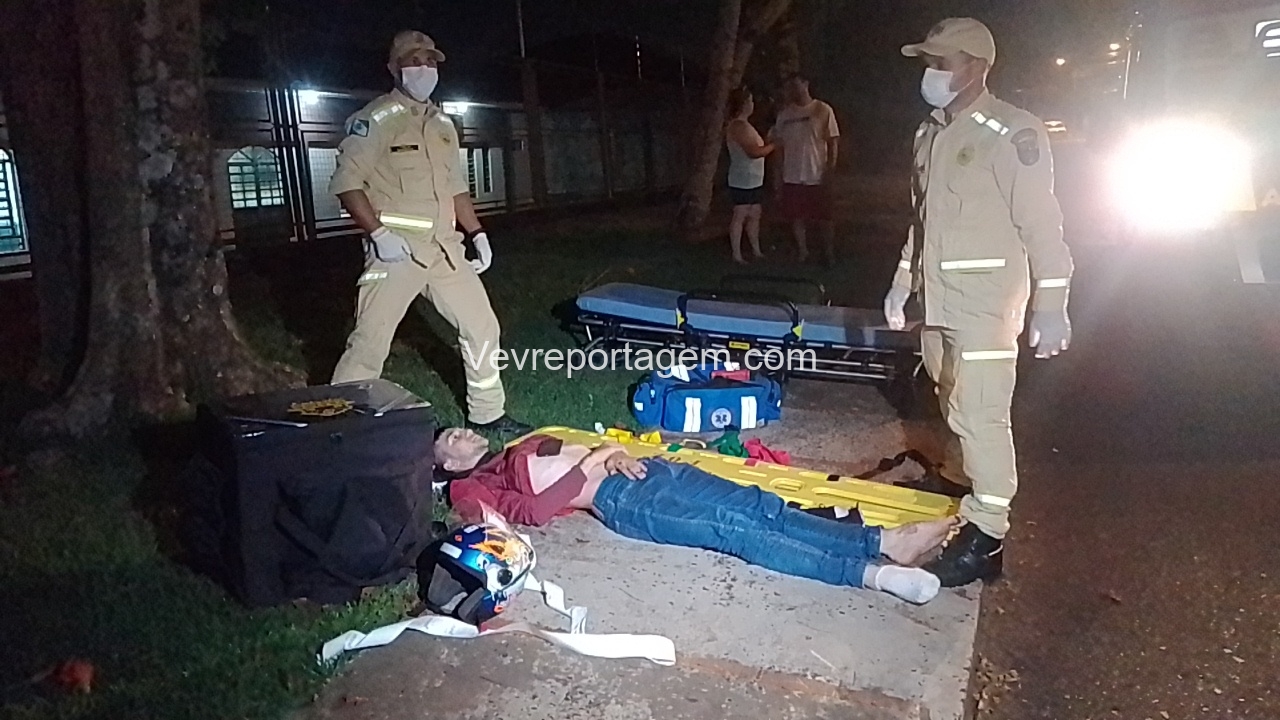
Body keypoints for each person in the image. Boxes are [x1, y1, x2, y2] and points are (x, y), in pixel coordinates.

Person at [884, 18, 1074, 587]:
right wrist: (902, 282)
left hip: (987, 306)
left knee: (981, 415)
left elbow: (1042, 224)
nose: (931, 73)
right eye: (928, 62)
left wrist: (1052, 302)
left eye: (942, 63)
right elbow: (921, 222)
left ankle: (987, 536)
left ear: (977, 67)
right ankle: (954, 483)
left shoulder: (1013, 132)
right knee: (949, 401)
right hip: (939, 303)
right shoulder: (929, 133)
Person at [433, 427, 958, 605]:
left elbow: (585, 451)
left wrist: (612, 453)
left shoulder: (518, 445)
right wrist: (598, 461)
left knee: (760, 505)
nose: (460, 433)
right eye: (449, 440)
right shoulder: (473, 487)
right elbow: (537, 511)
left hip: (648, 471)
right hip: (622, 502)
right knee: (735, 530)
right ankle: (872, 575)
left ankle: (884, 541)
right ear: (447, 465)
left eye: (455, 428)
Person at [328, 30, 529, 438]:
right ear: (394, 68)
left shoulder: (442, 124)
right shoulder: (376, 119)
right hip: (396, 253)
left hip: (444, 251)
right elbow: (347, 183)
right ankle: (339, 426)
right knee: (369, 343)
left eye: (431, 62)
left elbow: (455, 186)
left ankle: (487, 414)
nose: (424, 69)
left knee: (482, 327)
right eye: (414, 62)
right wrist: (378, 234)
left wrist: (477, 233)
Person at [771, 74, 840, 265]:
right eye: (789, 87)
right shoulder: (784, 115)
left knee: (824, 217)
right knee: (796, 215)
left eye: (796, 85)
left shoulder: (822, 110)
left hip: (816, 173)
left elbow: (833, 141)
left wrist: (830, 169)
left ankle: (828, 252)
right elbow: (779, 147)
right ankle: (803, 251)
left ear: (806, 84)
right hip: (792, 174)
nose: (793, 90)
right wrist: (777, 175)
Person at [724, 87, 774, 265]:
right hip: (742, 179)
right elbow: (753, 152)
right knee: (741, 214)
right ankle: (736, 254)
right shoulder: (738, 126)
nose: (753, 104)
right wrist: (773, 146)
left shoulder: (746, 125)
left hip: (754, 179)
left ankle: (756, 250)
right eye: (750, 101)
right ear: (744, 104)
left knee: (754, 213)